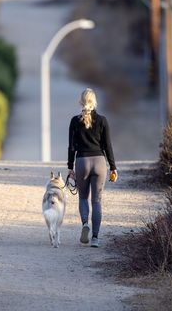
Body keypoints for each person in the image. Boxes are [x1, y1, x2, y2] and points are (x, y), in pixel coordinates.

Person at [67, 88, 117, 248]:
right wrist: (113, 167)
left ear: (81, 102)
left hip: (82, 162)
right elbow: (108, 146)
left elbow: (71, 147)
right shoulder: (102, 120)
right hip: (99, 162)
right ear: (94, 102)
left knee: (83, 198)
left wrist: (70, 168)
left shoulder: (75, 121)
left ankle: (84, 224)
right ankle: (95, 238)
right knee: (96, 201)